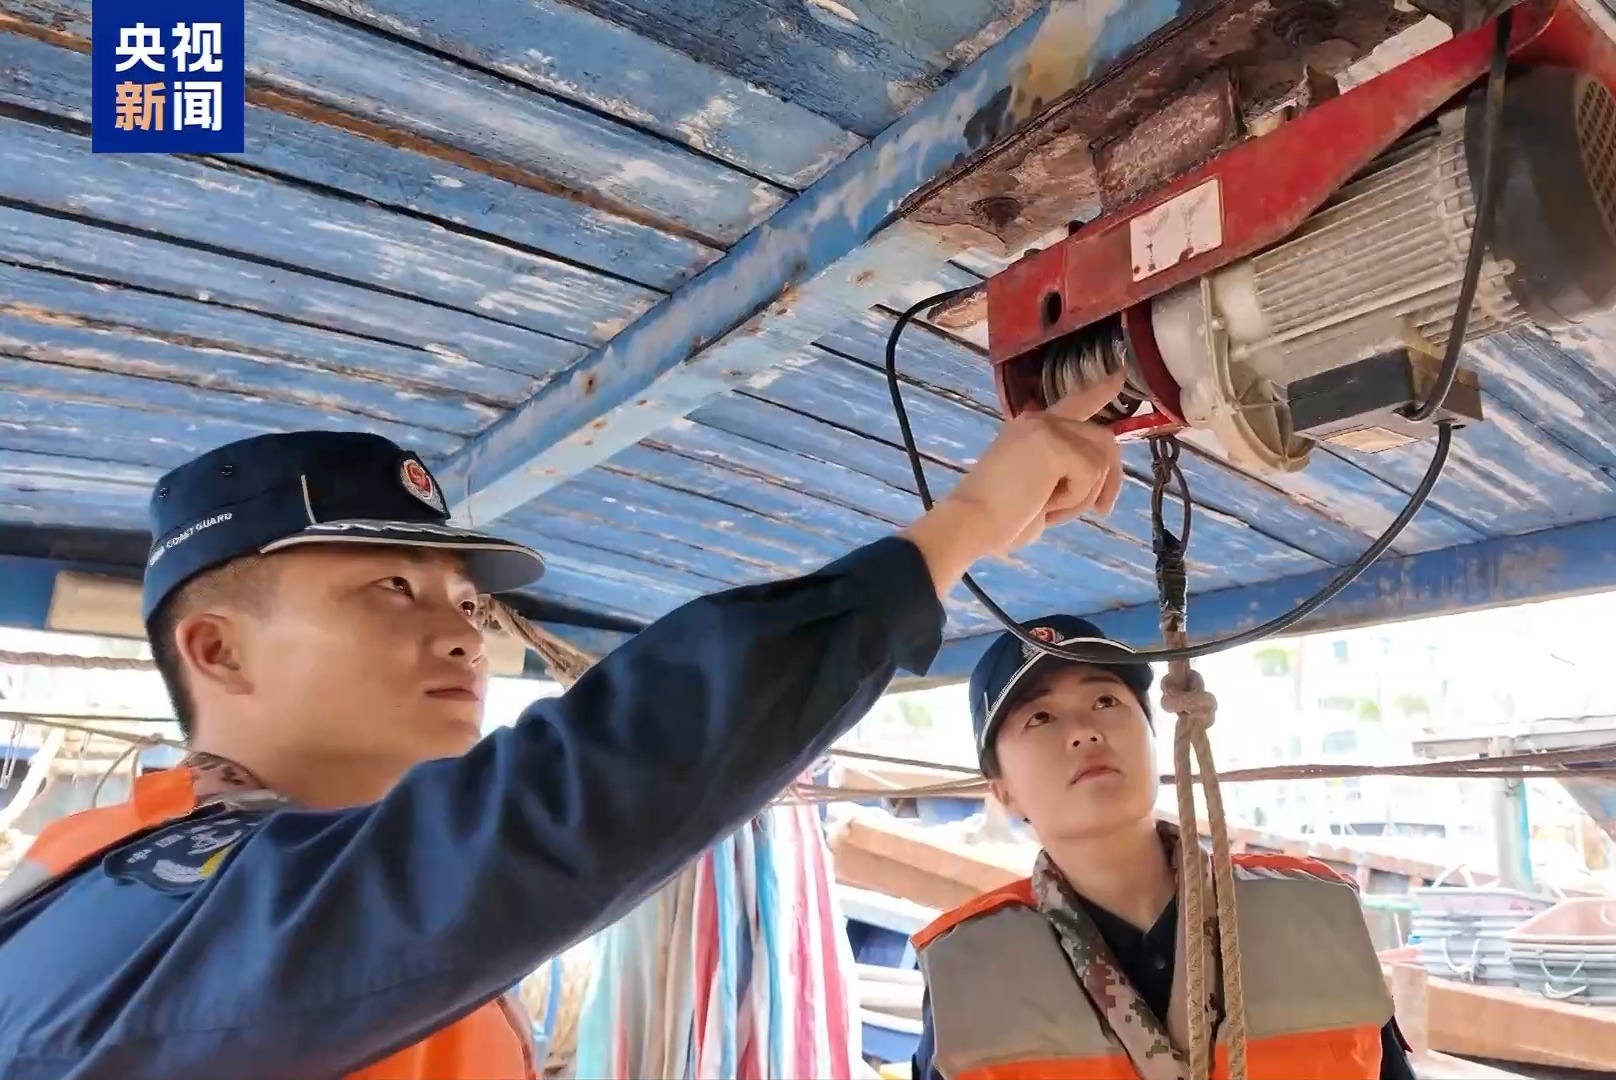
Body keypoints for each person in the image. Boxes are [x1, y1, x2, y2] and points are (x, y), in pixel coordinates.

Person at [0, 372, 1128, 1080]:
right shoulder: (132, 919)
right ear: (217, 651)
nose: (462, 636)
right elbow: (566, 801)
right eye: (392, 588)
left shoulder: (316, 898)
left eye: (465, 603)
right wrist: (964, 525)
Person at [910, 614, 1418, 1080]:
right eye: (1040, 717)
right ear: (1002, 788)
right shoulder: (968, 973)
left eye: (1106, 701)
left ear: (1153, 734)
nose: (1085, 731)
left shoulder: (1314, 911)